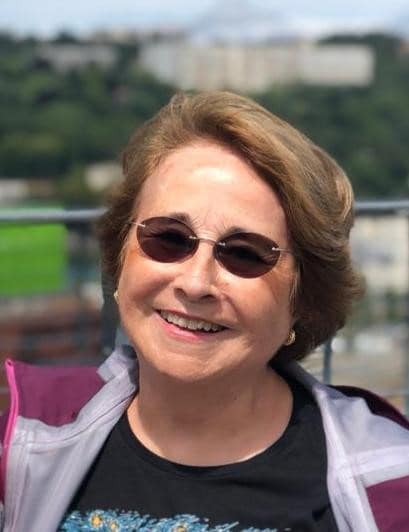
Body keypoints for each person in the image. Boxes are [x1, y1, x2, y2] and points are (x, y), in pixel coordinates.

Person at [1, 92, 409, 532]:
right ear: (119, 258)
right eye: (168, 238)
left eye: (245, 254)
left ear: (303, 299)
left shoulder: (391, 486)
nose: (195, 283)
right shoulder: (21, 445)